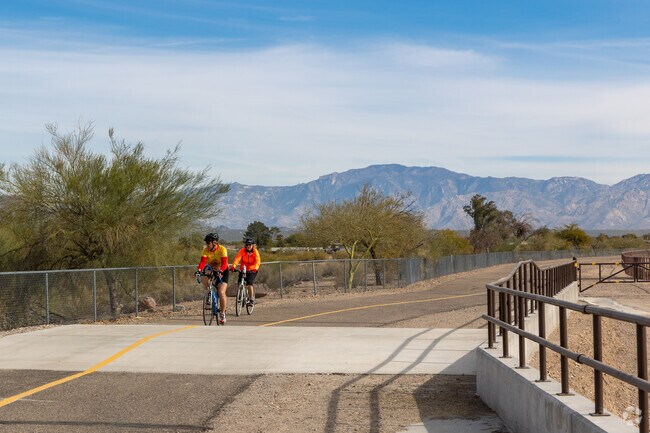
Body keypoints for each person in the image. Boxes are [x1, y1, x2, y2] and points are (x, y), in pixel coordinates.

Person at [197, 232, 230, 324]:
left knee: (221, 292)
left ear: (214, 243)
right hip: (212, 269)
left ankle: (223, 313)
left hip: (223, 270)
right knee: (203, 275)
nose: (206, 245)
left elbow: (224, 263)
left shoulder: (222, 249)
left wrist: (221, 271)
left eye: (208, 243)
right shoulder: (205, 250)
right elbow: (203, 261)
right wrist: (199, 270)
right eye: (206, 243)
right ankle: (209, 293)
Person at [230, 237, 261, 306]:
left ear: (253, 245)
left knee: (249, 283)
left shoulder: (255, 251)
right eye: (246, 245)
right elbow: (237, 259)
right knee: (239, 283)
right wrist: (233, 266)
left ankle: (251, 299)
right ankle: (241, 296)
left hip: (252, 269)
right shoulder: (242, 251)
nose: (248, 246)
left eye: (249, 245)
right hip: (243, 269)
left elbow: (258, 261)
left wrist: (255, 268)